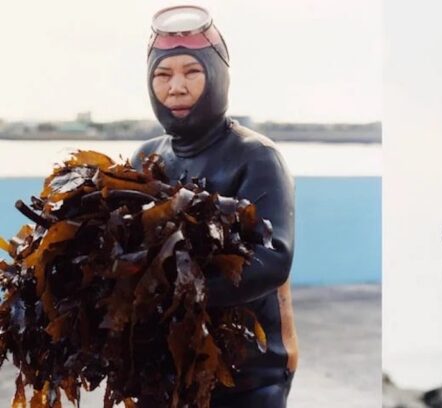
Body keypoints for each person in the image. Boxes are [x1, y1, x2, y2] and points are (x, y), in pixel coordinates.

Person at [130, 6, 297, 407]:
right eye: (163, 75)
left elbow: (273, 261)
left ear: (218, 76)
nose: (177, 87)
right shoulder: (145, 159)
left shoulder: (256, 157)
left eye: (193, 72)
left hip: (250, 373)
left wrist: (173, 295)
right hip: (163, 370)